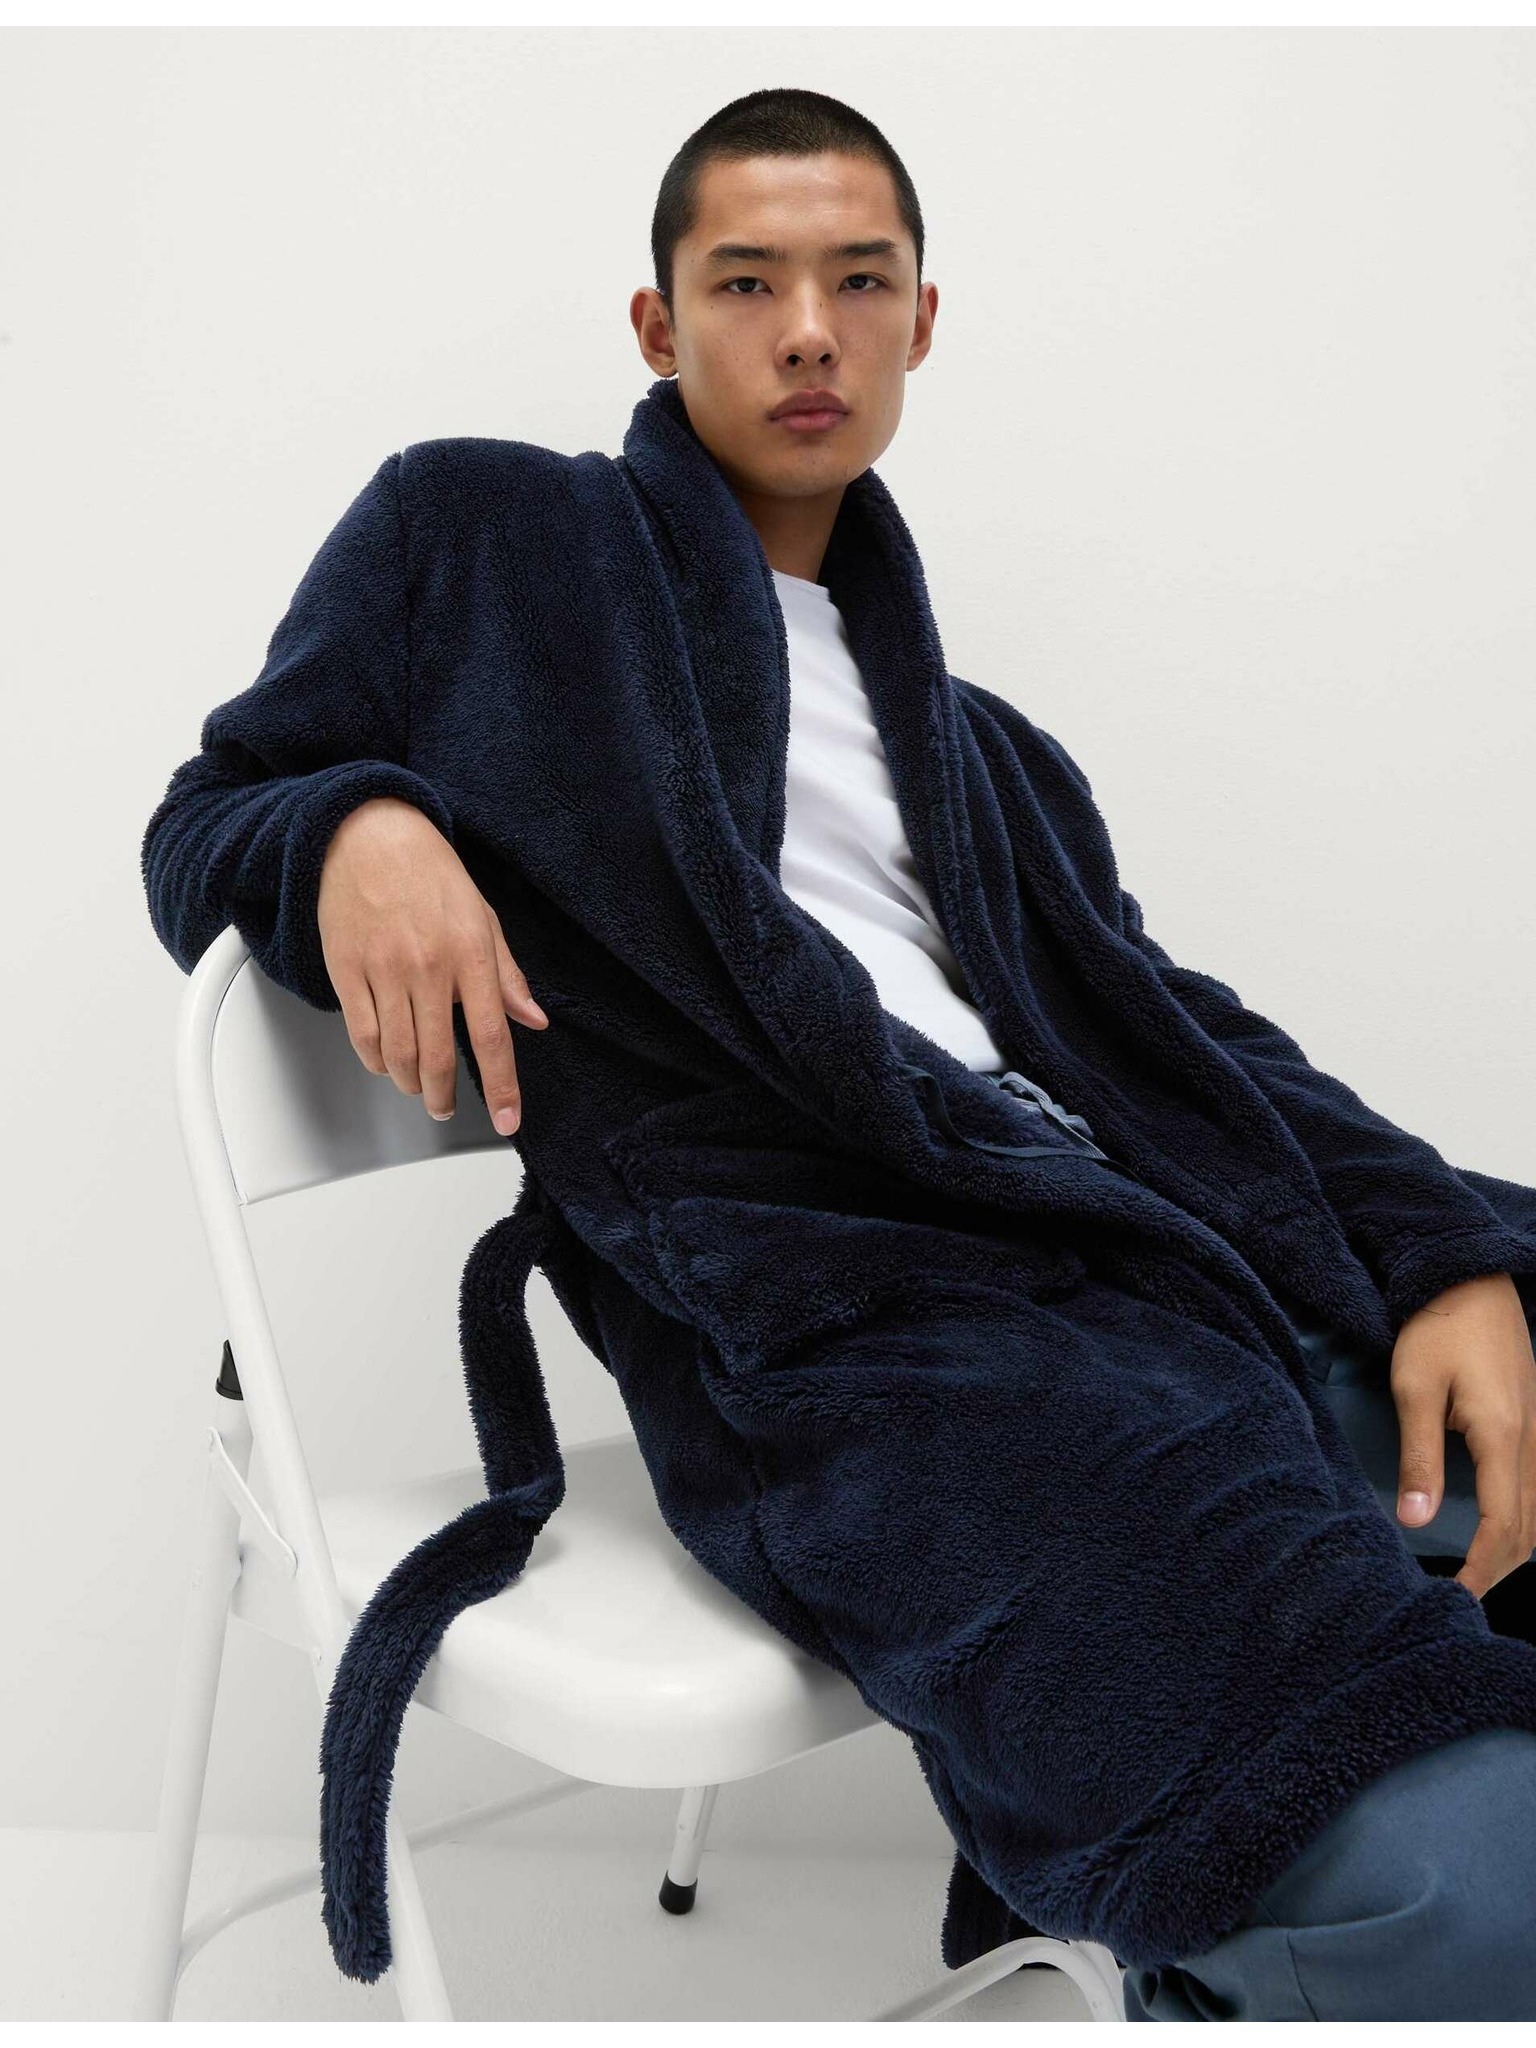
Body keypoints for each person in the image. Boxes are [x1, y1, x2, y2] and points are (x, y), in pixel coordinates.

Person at [141, 88, 1536, 2018]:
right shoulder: (484, 541)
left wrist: (1438, 1253)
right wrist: (348, 826)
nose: (810, 330)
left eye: (859, 282)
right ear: (660, 326)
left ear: (920, 324)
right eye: (748, 283)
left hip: (1162, 1245)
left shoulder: (981, 747)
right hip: (862, 1324)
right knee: (1467, 1877)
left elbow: (1180, 1031)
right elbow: (206, 820)